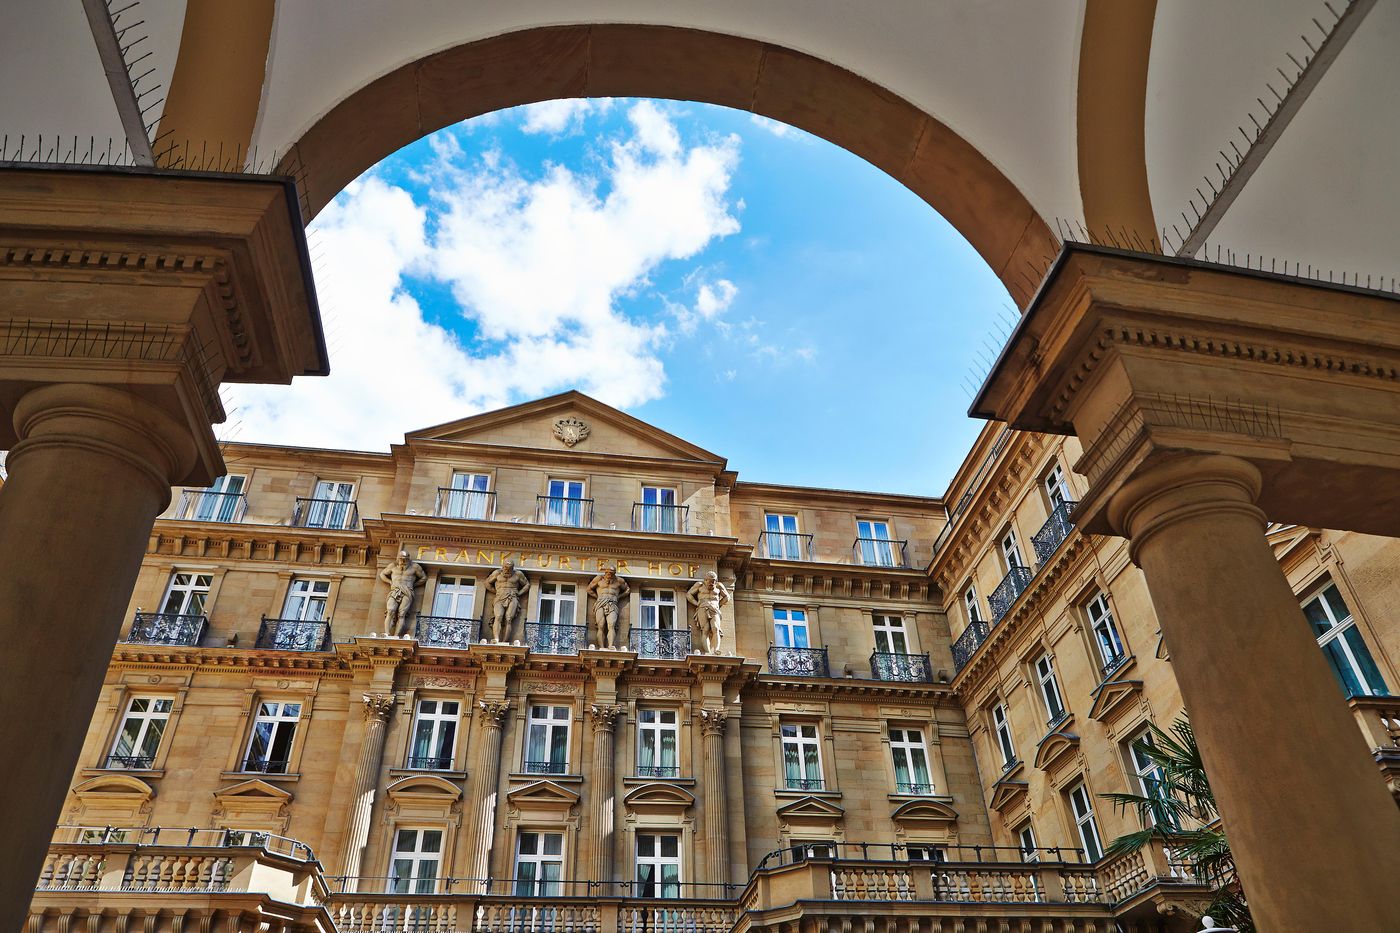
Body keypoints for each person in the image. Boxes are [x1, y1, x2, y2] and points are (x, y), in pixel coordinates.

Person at [378, 551, 426, 636]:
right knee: (390, 610)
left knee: (402, 614)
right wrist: (389, 581)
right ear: (398, 558)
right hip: (395, 590)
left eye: (404, 559)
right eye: (400, 559)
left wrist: (413, 585)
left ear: (408, 558)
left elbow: (423, 578)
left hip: (407, 591)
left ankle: (396, 635)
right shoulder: (392, 566)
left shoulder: (414, 567)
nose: (402, 561)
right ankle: (387, 633)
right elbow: (382, 574)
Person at [484, 559, 530, 642]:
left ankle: (505, 641)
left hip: (512, 597)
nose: (507, 570)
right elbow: (487, 583)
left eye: (509, 569)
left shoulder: (518, 574)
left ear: (512, 568)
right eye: (505, 568)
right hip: (499, 597)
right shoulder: (497, 573)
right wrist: (496, 591)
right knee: (498, 617)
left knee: (508, 619)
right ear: (503, 567)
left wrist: (519, 593)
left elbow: (527, 584)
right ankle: (496, 639)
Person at [586, 565, 631, 648]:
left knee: (611, 625)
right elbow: (589, 589)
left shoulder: (619, 581)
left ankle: (610, 646)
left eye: (612, 573)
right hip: (600, 603)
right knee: (601, 626)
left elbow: (627, 590)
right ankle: (602, 647)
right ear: (605, 572)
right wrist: (598, 598)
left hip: (612, 604)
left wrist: (619, 597)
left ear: (614, 574)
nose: (609, 575)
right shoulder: (599, 579)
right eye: (608, 573)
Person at [686, 571, 731, 655]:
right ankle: (707, 652)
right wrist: (697, 604)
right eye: (710, 581)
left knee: (716, 628)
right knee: (705, 629)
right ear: (705, 580)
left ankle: (716, 649)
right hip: (702, 608)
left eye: (713, 581)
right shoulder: (699, 585)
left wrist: (718, 605)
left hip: (714, 608)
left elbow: (727, 597)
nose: (712, 583)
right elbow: (689, 594)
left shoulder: (719, 586)